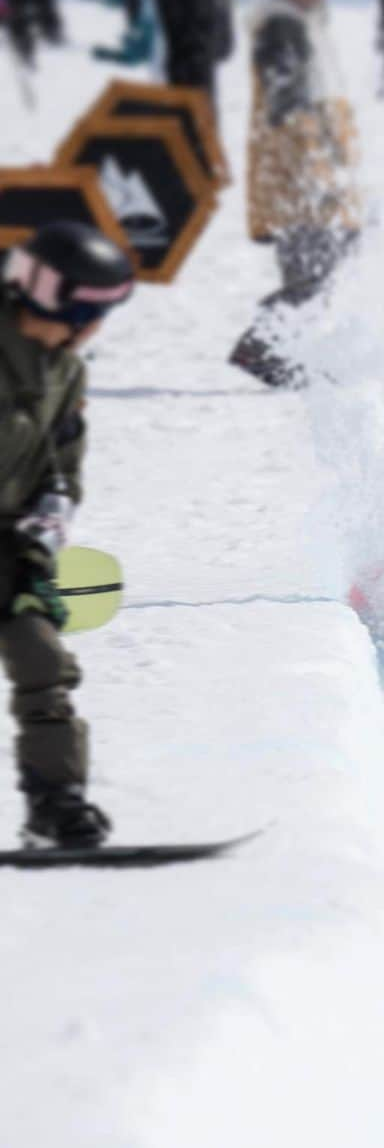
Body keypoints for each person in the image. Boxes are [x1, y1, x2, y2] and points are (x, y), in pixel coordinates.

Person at [0, 222, 135, 848]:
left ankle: (56, 802)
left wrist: (43, 527)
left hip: (8, 542)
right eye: (89, 310)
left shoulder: (64, 375)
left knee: (43, 658)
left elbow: (60, 465)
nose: (93, 327)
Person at [230, 0, 362, 389]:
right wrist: (316, 177)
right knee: (314, 273)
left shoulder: (303, 26)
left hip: (311, 173)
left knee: (324, 271)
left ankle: (282, 350)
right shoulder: (284, 26)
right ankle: (263, 347)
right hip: (299, 176)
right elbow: (288, 107)